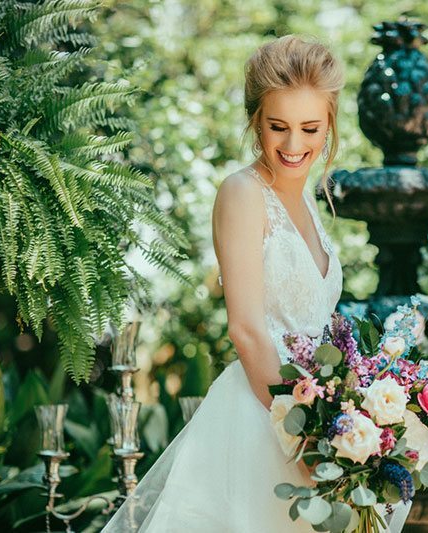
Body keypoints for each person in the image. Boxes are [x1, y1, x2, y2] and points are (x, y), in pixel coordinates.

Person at [103, 35, 409, 532]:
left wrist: (349, 414)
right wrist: (303, 436)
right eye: (278, 127)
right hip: (264, 415)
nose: (294, 145)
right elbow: (247, 328)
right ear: (255, 121)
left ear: (329, 124)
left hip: (316, 413)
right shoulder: (242, 194)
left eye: (310, 128)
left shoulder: (310, 199)